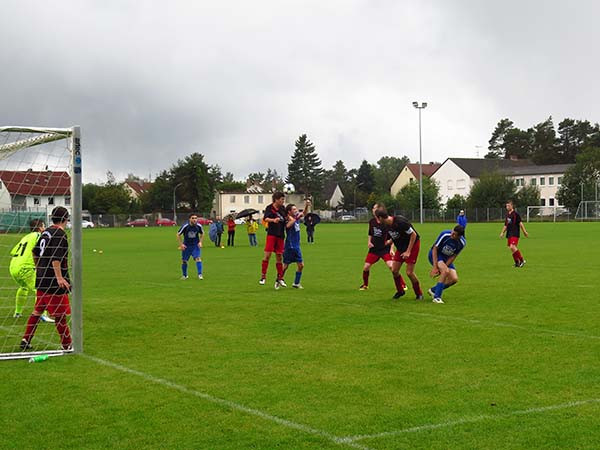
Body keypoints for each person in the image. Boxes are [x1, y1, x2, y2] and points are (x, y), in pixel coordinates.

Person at [21, 207, 72, 351]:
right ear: (65, 219)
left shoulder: (46, 232)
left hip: (42, 278)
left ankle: (26, 339)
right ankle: (67, 345)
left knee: (37, 311)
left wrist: (39, 269)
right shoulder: (59, 234)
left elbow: (35, 251)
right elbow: (56, 258)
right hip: (53, 281)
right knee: (60, 315)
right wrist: (59, 278)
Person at [9, 219, 53, 322]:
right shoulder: (39, 236)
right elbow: (42, 251)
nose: (44, 228)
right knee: (41, 289)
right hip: (26, 267)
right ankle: (43, 315)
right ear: (39, 228)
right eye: (43, 226)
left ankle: (17, 312)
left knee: (23, 287)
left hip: (14, 266)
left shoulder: (25, 237)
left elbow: (14, 251)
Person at [375, 208, 423, 300]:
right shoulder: (386, 225)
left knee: (409, 272)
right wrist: (390, 245)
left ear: (380, 218)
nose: (377, 221)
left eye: (377, 218)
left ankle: (419, 293)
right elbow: (394, 236)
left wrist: (408, 251)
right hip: (401, 247)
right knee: (394, 270)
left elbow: (413, 235)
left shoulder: (400, 222)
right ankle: (400, 291)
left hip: (413, 245)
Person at [359, 203, 394, 291]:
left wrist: (392, 249)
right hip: (374, 249)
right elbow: (370, 233)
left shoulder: (386, 221)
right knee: (366, 267)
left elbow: (393, 236)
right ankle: (365, 285)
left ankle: (402, 284)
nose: (372, 209)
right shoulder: (372, 221)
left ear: (379, 209)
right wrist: (369, 242)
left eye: (374, 208)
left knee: (391, 267)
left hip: (385, 249)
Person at [428, 225, 466, 304]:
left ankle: (433, 290)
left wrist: (445, 265)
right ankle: (437, 297)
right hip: (435, 255)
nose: (452, 235)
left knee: (454, 279)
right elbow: (435, 248)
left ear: (459, 236)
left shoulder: (462, 243)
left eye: (455, 234)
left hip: (446, 258)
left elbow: (453, 256)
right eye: (452, 232)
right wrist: (435, 267)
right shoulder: (445, 234)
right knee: (445, 271)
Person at [282, 199, 311, 289]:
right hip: (290, 246)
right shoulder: (287, 219)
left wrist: (307, 205)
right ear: (289, 212)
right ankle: (279, 279)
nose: (296, 211)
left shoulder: (296, 218)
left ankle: (296, 283)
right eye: (294, 209)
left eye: (296, 209)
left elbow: (304, 213)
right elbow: (288, 226)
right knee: (285, 265)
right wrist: (294, 218)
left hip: (296, 245)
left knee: (301, 265)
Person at [260, 192, 287, 288]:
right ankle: (263, 276)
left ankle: (280, 278)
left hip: (280, 235)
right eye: (281, 199)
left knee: (279, 256)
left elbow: (287, 217)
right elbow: (265, 218)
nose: (283, 201)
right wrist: (273, 220)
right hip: (271, 234)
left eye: (283, 199)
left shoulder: (283, 209)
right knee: (267, 255)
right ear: (276, 199)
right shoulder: (269, 208)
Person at [500, 200, 528, 267]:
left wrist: (524, 232)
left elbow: (520, 223)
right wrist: (502, 232)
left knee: (513, 246)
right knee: (511, 248)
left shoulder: (516, 214)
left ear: (512, 206)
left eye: (509, 205)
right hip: (509, 233)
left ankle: (522, 260)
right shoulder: (507, 215)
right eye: (506, 206)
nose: (507, 207)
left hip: (515, 233)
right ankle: (517, 263)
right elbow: (506, 225)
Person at [177, 213, 204, 280]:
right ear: (190, 219)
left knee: (198, 258)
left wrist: (200, 242)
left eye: (195, 218)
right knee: (184, 261)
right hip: (187, 246)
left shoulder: (199, 226)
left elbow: (202, 233)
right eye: (193, 218)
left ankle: (200, 274)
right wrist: (181, 244)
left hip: (195, 245)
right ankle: (184, 275)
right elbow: (178, 234)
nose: (194, 220)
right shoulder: (185, 226)